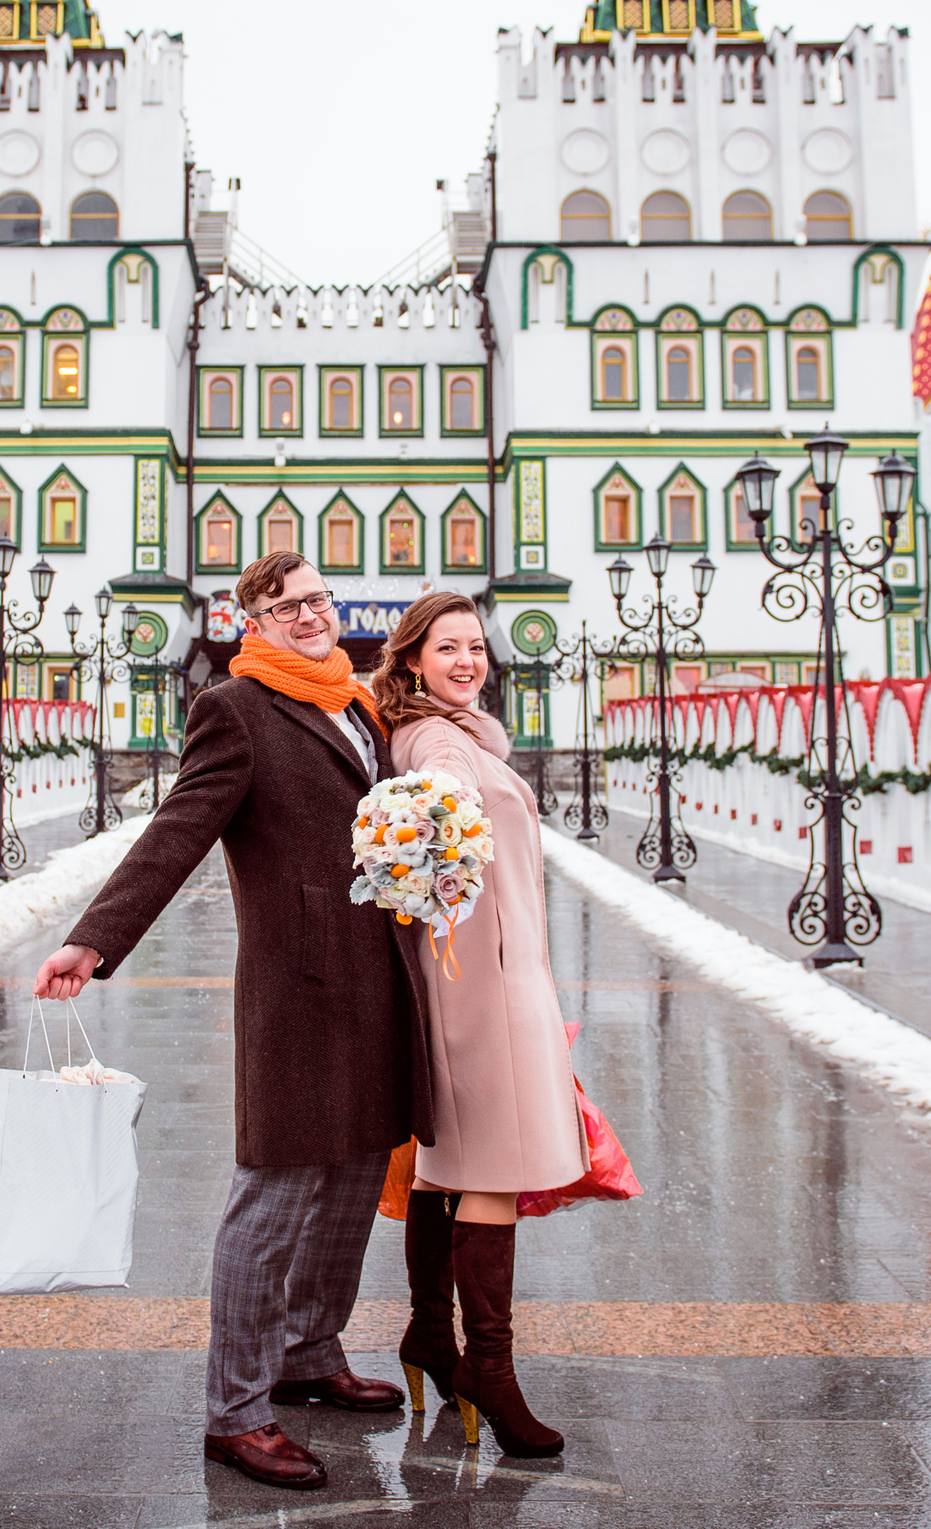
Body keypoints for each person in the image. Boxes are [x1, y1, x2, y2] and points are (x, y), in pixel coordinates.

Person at [33, 549, 431, 1492]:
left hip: (380, 979)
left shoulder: (358, 700)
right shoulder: (238, 707)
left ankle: (308, 1351)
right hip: (298, 988)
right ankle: (236, 1410)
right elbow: (179, 826)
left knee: (352, 1179)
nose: (309, 615)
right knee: (276, 1196)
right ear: (251, 619)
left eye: (318, 599)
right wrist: (95, 939)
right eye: (286, 606)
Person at [372, 592, 583, 1460]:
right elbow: (431, 825)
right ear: (413, 657)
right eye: (446, 647)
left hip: (494, 972)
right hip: (482, 983)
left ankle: (430, 1332)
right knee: (497, 1168)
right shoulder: (433, 741)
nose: (467, 660)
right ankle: (489, 1372)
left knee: (442, 1169)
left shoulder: (461, 733)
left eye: (475, 646)